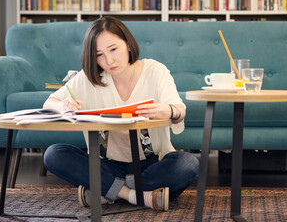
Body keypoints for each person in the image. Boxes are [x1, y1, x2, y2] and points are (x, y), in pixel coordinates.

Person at [43, 16, 199, 211]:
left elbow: (180, 110)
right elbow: (49, 103)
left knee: (188, 164)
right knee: (54, 154)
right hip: (106, 165)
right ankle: (136, 196)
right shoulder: (89, 78)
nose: (108, 60)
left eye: (113, 49)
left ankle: (106, 191)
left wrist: (169, 110)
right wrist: (63, 106)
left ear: (128, 45)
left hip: (152, 165)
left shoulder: (155, 71)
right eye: (99, 55)